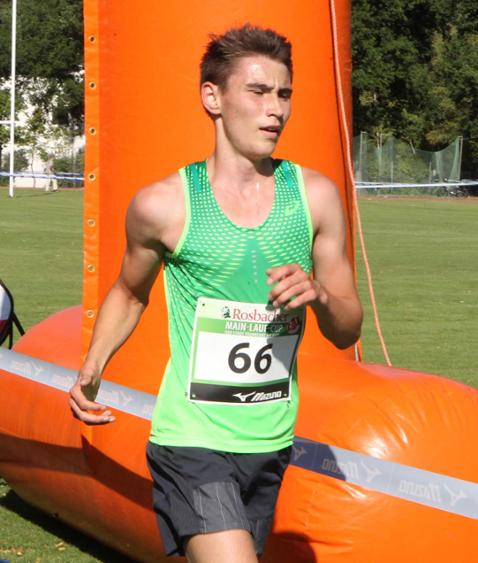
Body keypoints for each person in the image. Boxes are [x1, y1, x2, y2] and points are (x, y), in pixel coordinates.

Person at [69, 24, 363, 562]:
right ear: (213, 98)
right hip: (190, 438)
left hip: (270, 441)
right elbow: (130, 292)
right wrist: (93, 364)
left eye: (284, 94)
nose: (275, 109)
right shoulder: (164, 205)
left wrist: (320, 295)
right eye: (258, 91)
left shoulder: (316, 198)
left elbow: (348, 329)